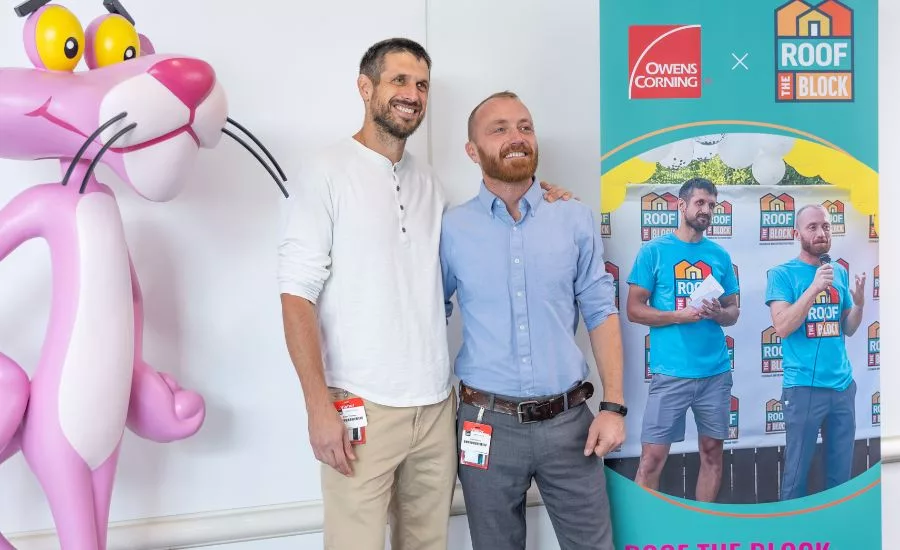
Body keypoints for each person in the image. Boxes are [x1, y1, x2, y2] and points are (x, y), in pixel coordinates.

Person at [277, 40, 570, 550]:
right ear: (365, 87)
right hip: (360, 405)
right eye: (399, 81)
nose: (412, 94)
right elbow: (296, 295)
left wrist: (545, 198)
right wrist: (317, 407)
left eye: (421, 85)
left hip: (436, 408)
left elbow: (489, 235)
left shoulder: (431, 186)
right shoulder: (325, 172)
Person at [440, 91, 626, 550]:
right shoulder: (449, 229)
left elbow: (602, 311)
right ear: (472, 150)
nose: (516, 137)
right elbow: (429, 317)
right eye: (499, 129)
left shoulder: (574, 218)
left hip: (571, 425)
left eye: (524, 126)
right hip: (485, 425)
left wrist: (614, 407)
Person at [625, 177, 740, 502]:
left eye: (712, 205)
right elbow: (634, 310)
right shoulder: (654, 252)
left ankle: (702, 530)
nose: (706, 210)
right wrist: (680, 315)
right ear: (682, 205)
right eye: (700, 203)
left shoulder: (719, 255)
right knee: (651, 460)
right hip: (671, 374)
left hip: (715, 375)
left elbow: (733, 312)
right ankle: (646, 533)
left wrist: (718, 312)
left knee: (712, 453)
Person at [765, 203, 865, 500]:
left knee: (840, 475)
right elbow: (782, 327)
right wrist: (813, 289)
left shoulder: (839, 273)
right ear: (797, 233)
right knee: (796, 475)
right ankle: (791, 536)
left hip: (842, 388)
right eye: (812, 227)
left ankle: (834, 534)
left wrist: (859, 304)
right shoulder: (782, 274)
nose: (821, 232)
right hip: (804, 389)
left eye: (825, 226)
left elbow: (848, 327)